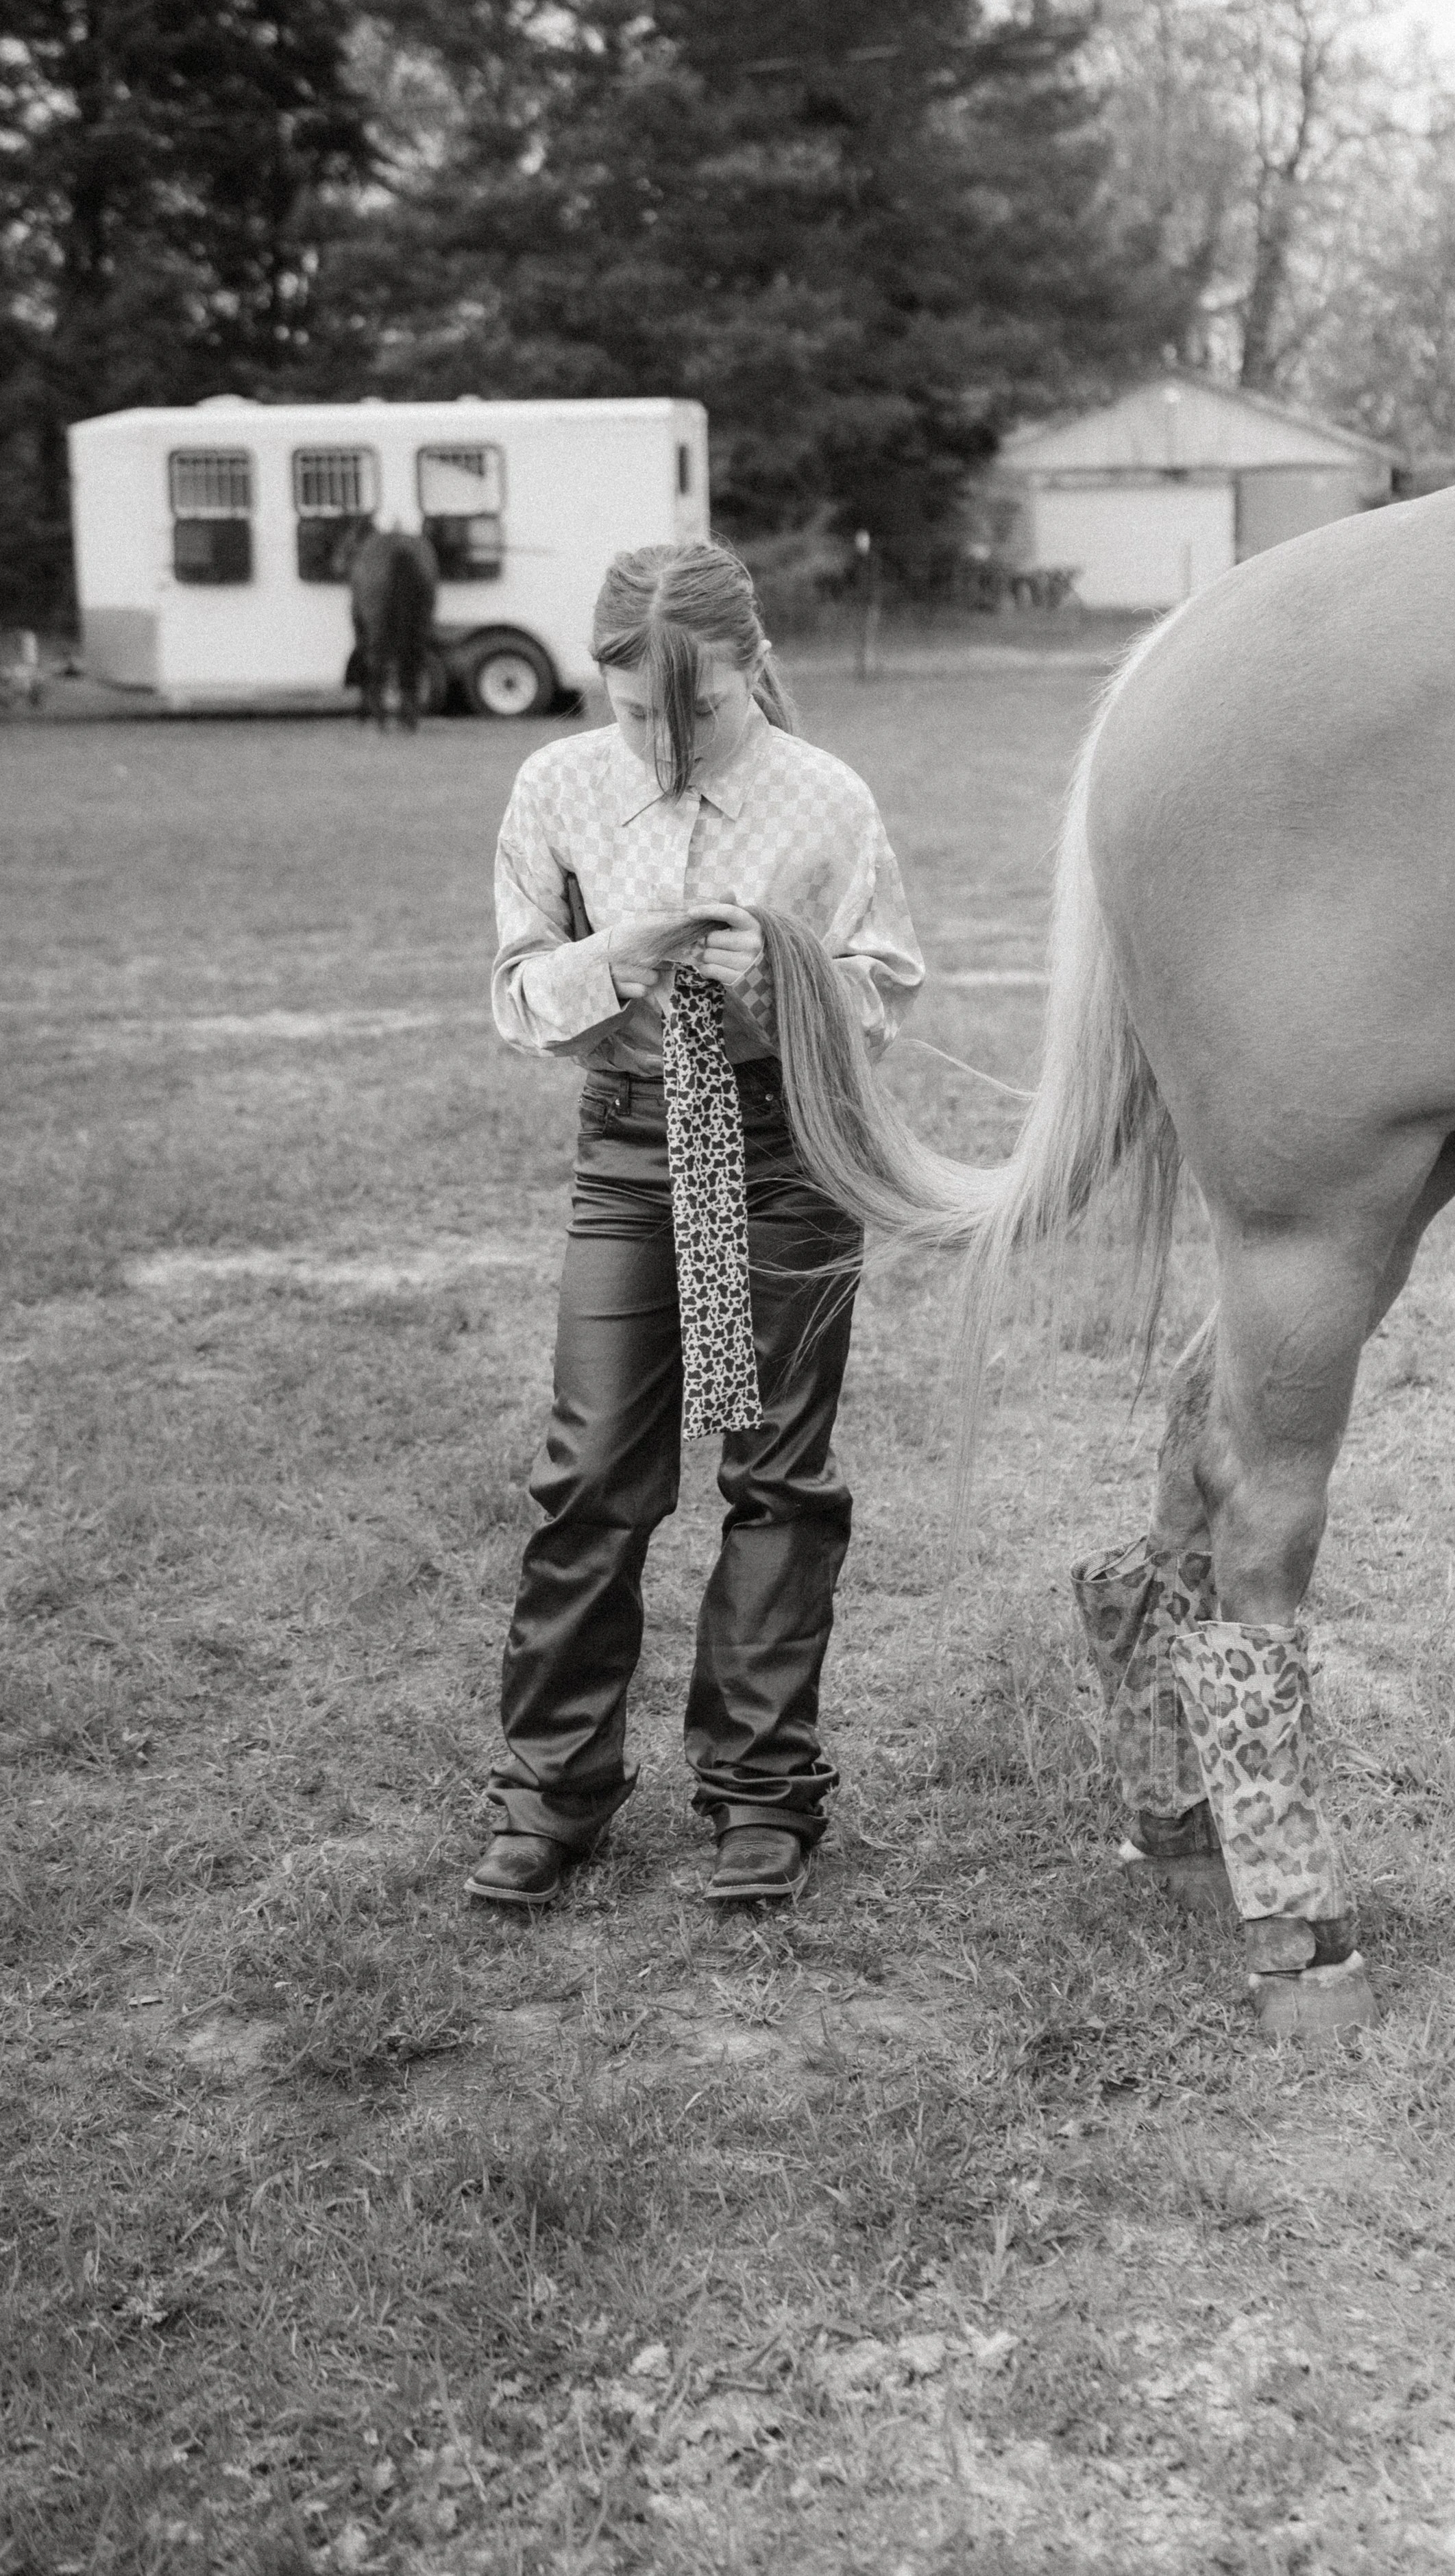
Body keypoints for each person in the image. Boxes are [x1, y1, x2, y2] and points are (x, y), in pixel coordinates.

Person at [468, 539, 924, 1908]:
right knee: (591, 1471)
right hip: (629, 1149)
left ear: (754, 663)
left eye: (703, 712)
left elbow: (886, 990)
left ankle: (759, 1795)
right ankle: (553, 1792)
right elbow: (513, 994)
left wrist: (783, 974)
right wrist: (612, 956)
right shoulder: (553, 785)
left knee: (778, 1472)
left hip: (785, 1150)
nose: (665, 744)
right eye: (631, 715)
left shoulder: (823, 796)